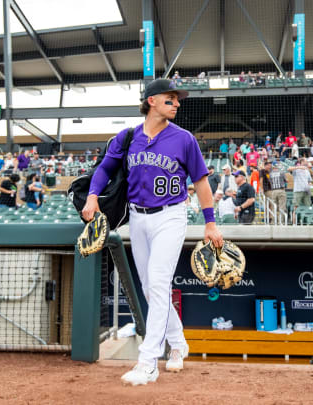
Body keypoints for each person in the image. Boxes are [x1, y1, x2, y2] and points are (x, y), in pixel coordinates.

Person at [81, 78, 223, 386]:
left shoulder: (184, 139)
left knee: (158, 283)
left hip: (170, 217)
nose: (177, 103)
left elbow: (200, 182)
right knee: (150, 289)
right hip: (137, 217)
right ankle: (179, 343)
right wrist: (93, 195)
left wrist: (210, 223)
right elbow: (104, 168)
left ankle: (148, 361)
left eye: (177, 99)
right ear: (152, 101)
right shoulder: (128, 136)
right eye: (170, 99)